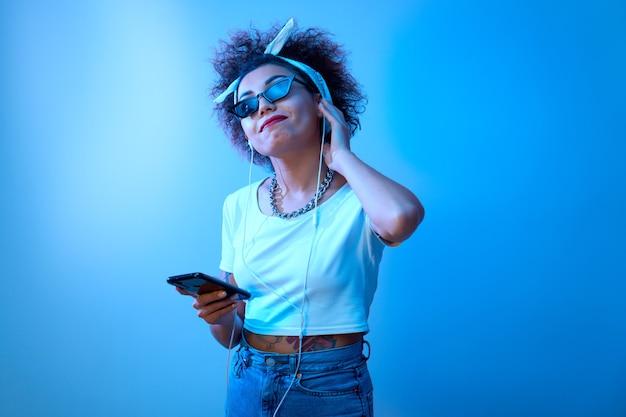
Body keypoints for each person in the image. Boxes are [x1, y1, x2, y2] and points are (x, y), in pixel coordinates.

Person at [176, 18, 424, 417]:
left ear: (320, 101)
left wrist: (340, 153)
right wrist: (217, 318)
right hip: (249, 378)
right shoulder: (237, 205)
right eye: (247, 104)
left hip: (331, 385)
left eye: (277, 88)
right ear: (245, 130)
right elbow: (233, 336)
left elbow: (401, 218)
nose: (263, 106)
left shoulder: (359, 196)